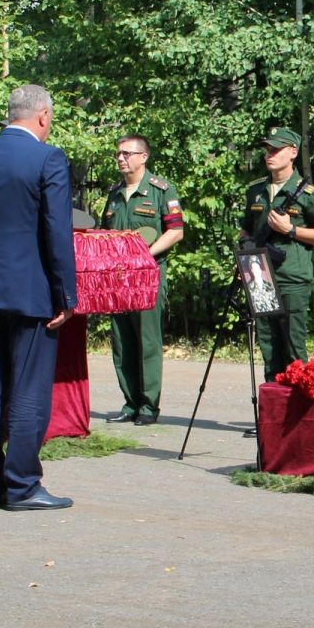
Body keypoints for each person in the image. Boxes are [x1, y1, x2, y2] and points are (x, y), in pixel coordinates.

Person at [0, 85, 79, 511]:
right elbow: (56, 233)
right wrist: (66, 294)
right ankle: (22, 485)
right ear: (43, 117)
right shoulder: (48, 158)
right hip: (31, 292)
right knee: (28, 390)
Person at [100, 134, 185, 425]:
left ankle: (149, 406)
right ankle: (130, 402)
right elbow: (104, 233)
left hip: (147, 275)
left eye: (126, 153)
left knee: (147, 340)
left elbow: (175, 231)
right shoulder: (114, 193)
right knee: (122, 341)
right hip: (117, 279)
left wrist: (145, 254)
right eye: (118, 154)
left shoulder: (161, 190)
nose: (121, 158)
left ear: (143, 157)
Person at [240, 128, 314, 380]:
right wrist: (243, 258)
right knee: (269, 347)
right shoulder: (256, 190)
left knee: (294, 349)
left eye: (276, 149)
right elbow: (246, 230)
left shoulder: (309, 194)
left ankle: (297, 411)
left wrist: (290, 230)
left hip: (291, 278)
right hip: (260, 278)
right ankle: (274, 412)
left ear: (293, 152)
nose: (269, 154)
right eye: (267, 150)